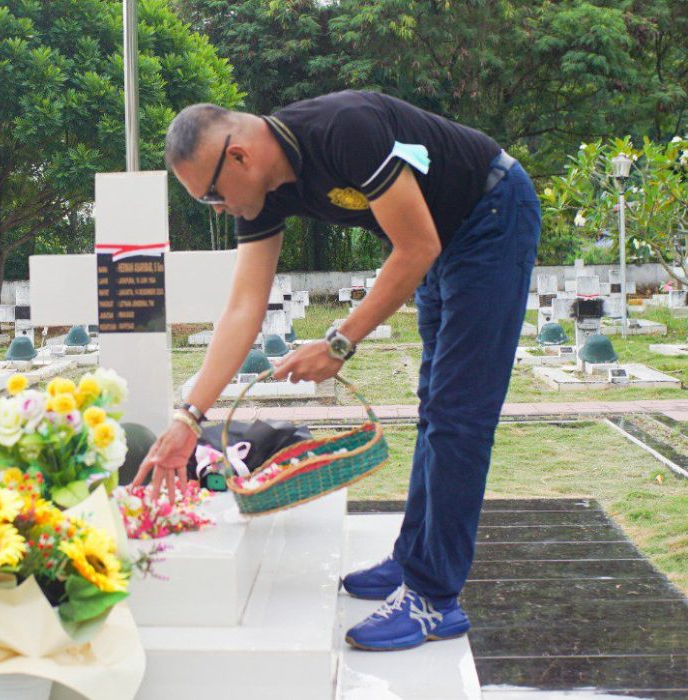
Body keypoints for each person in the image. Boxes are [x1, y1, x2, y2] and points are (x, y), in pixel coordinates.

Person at [135, 91, 540, 651]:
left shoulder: (344, 129)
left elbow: (415, 244)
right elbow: (242, 310)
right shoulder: (267, 196)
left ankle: (433, 599)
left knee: (458, 415)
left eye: (211, 196)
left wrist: (340, 342)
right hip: (444, 241)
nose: (220, 209)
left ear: (240, 157)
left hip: (490, 212)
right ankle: (413, 562)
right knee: (436, 409)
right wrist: (187, 418)